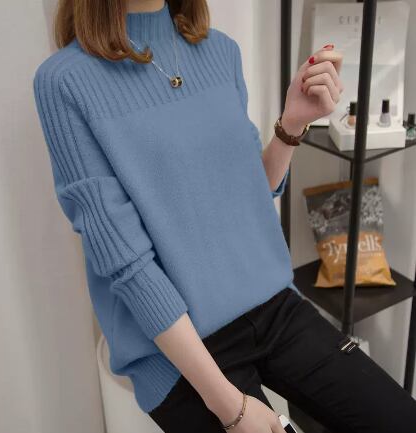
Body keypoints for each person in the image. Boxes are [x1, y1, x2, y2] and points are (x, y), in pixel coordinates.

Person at [33, 0, 416, 432]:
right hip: (175, 350)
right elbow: (127, 265)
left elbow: (246, 194)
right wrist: (230, 408)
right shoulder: (65, 81)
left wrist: (292, 124)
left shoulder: (220, 52)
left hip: (272, 305)